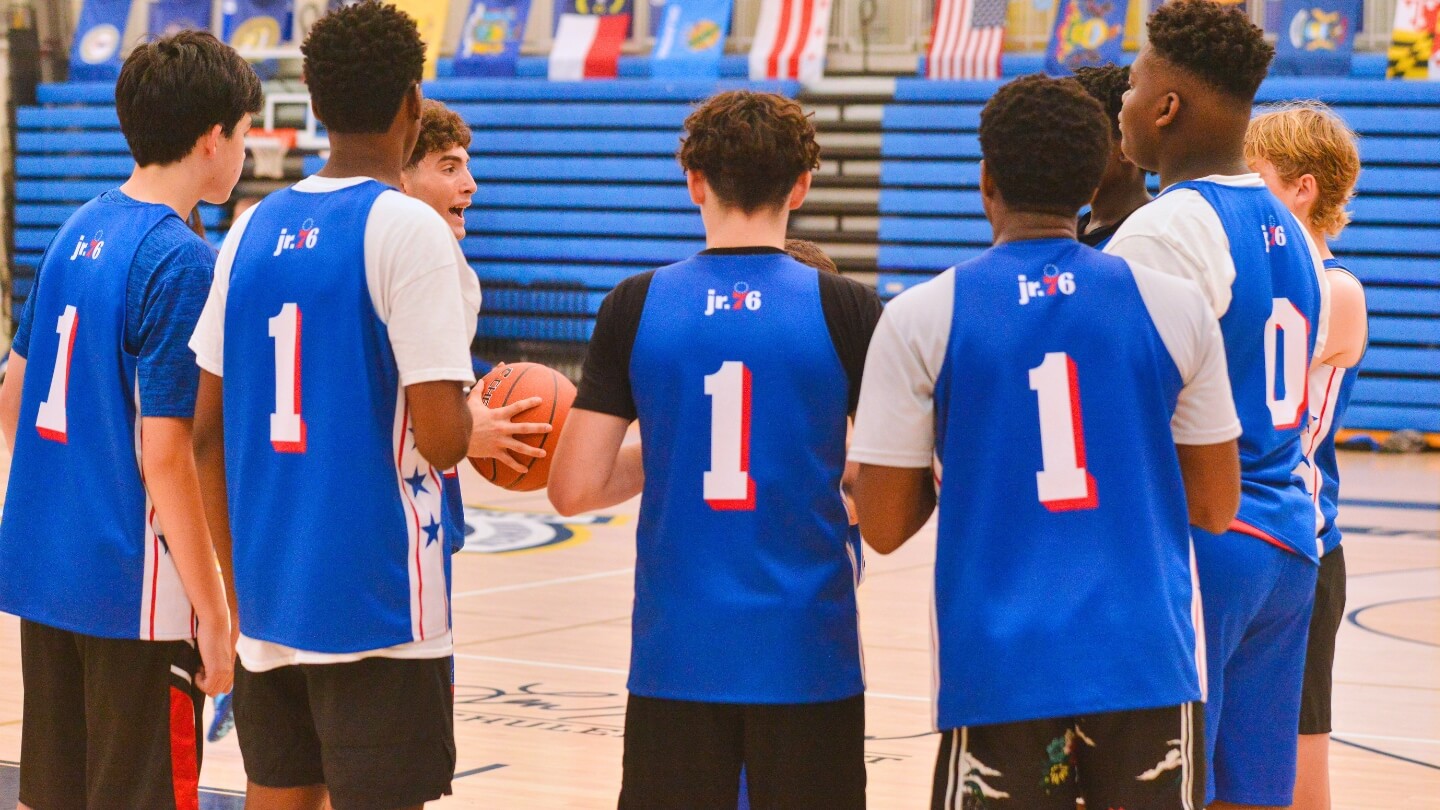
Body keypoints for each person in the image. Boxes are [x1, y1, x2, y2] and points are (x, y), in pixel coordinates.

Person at [850, 73, 1241, 810]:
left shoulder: (921, 317)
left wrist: (974, 458)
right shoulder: (1176, 306)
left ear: (986, 178)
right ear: (1095, 176)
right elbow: (1217, 506)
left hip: (1000, 669)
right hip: (1145, 660)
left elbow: (885, 524)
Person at [188, 4, 539, 808]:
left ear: (310, 102)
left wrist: (242, 590)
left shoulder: (247, 228)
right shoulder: (409, 230)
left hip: (271, 604)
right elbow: (446, 441)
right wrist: (477, 423)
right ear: (412, 106)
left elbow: (204, 433)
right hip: (380, 607)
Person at [547, 90, 883, 809]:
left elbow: (574, 488)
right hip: (809, 660)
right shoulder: (847, 306)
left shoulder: (635, 304)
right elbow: (885, 496)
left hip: (677, 660)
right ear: (802, 184)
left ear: (693, 181)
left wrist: (674, 446)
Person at [0, 31, 260, 809]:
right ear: (213, 139)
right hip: (135, 600)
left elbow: (13, 398)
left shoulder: (74, 229)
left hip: (48, 576)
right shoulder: (181, 259)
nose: (246, 152)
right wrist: (216, 613)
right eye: (246, 136)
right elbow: (166, 452)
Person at [1107, 2, 1329, 806]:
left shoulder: (1164, 229)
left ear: (1166, 106)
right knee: (1253, 790)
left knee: (1168, 785)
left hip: (1205, 542)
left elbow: (1126, 416)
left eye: (1133, 83)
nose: (1124, 102)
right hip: (1288, 544)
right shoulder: (1294, 231)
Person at [1244, 101, 1368, 810]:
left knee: (1298, 765)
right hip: (1251, 535)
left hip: (1308, 545)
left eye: (1256, 179)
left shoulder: (1335, 289)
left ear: (1302, 189)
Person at [1071, 65, 1151, 247]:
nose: (1068, 149)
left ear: (1124, 147)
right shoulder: (1074, 233)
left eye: (1080, 138)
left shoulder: (1154, 235)